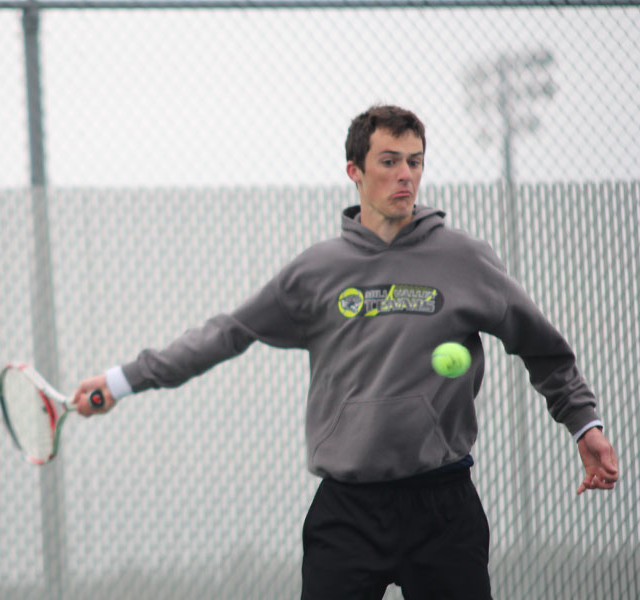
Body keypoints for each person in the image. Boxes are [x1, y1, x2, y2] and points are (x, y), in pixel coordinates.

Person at [69, 105, 619, 599]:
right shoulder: (316, 272)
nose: (405, 175)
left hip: (444, 505)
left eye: (415, 162)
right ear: (354, 171)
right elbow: (226, 332)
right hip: (348, 511)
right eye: (389, 161)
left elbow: (544, 349)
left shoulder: (466, 260)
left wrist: (583, 424)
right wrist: (122, 381)